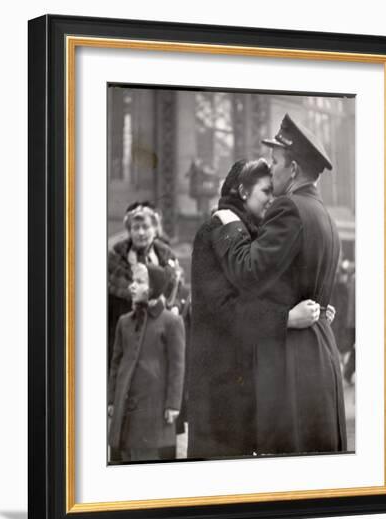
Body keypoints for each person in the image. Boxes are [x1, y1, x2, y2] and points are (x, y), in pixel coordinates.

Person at [213, 114, 347, 455]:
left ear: (294, 169)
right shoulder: (326, 217)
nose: (270, 172)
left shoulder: (289, 207)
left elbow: (248, 271)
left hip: (290, 365)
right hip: (320, 358)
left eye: (275, 162)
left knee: (285, 471)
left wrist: (229, 225)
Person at [188, 158, 329, 460]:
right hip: (219, 387)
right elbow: (223, 311)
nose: (271, 199)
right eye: (265, 191)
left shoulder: (249, 231)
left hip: (242, 385)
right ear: (242, 191)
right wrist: (286, 319)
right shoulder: (215, 229)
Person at [108, 263, 185, 462]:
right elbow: (116, 364)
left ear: (154, 288)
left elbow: (177, 366)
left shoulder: (171, 322)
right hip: (124, 406)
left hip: (154, 407)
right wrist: (111, 399)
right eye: (133, 281)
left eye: (139, 282)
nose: (131, 286)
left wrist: (173, 404)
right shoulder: (124, 322)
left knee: (148, 458)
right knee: (122, 457)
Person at [108, 203, 177, 373]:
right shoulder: (116, 258)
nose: (140, 233)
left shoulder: (166, 257)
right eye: (135, 227)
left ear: (155, 230)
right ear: (129, 231)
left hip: (158, 332)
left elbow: (171, 292)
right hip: (122, 328)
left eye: (145, 227)